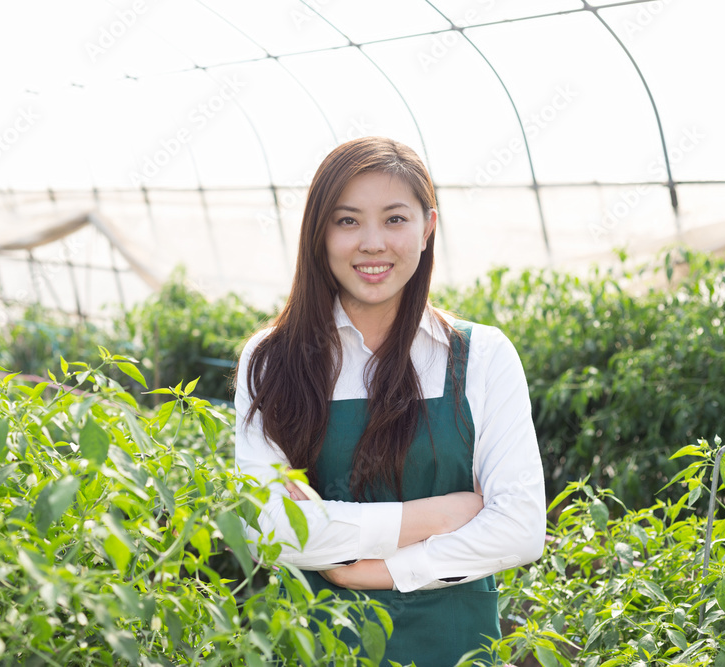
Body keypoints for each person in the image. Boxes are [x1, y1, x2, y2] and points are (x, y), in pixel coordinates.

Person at [233, 136, 546, 666]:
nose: (372, 243)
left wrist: (373, 569)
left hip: (455, 649)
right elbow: (267, 530)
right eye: (348, 220)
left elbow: (520, 529)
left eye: (395, 219)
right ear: (319, 233)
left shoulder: (481, 355)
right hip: (316, 648)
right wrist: (442, 515)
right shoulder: (272, 358)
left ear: (427, 228)